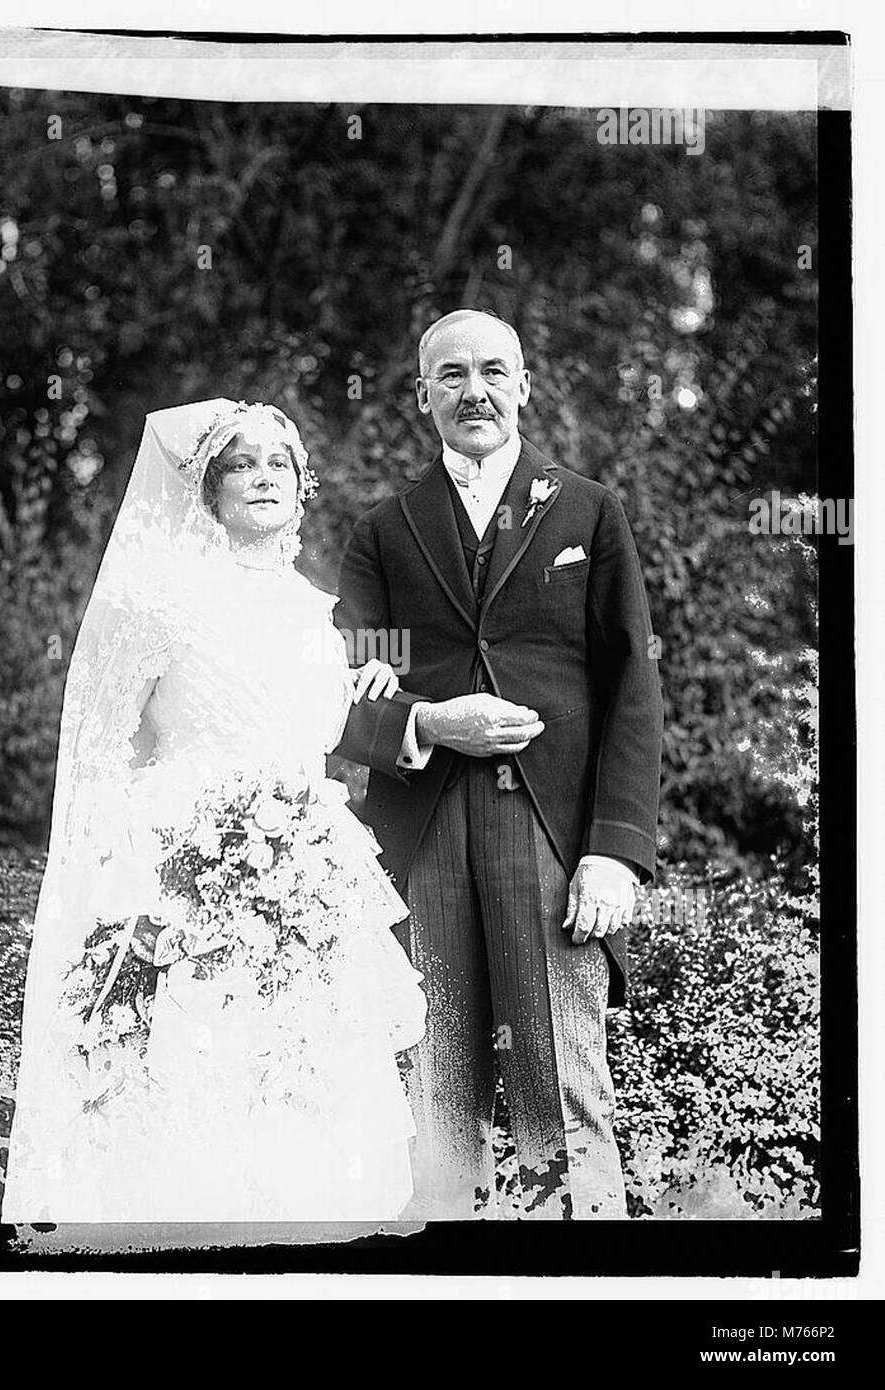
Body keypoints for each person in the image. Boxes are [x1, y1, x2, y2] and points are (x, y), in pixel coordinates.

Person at [2, 399, 427, 1226]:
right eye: (240, 463)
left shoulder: (318, 614)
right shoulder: (159, 602)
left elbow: (315, 727)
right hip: (178, 866)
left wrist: (365, 689)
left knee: (308, 1075)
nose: (263, 476)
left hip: (307, 863)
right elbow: (101, 753)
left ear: (302, 490)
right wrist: (119, 877)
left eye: (279, 463)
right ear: (206, 491)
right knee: (193, 1066)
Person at [334, 309, 664, 1218]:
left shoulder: (590, 513)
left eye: (492, 372)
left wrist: (615, 848)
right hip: (421, 834)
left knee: (560, 1090)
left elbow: (633, 683)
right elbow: (339, 700)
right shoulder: (385, 532)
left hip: (552, 835)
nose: (473, 391)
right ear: (421, 397)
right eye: (451, 376)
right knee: (432, 1094)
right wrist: (431, 721)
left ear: (523, 386)